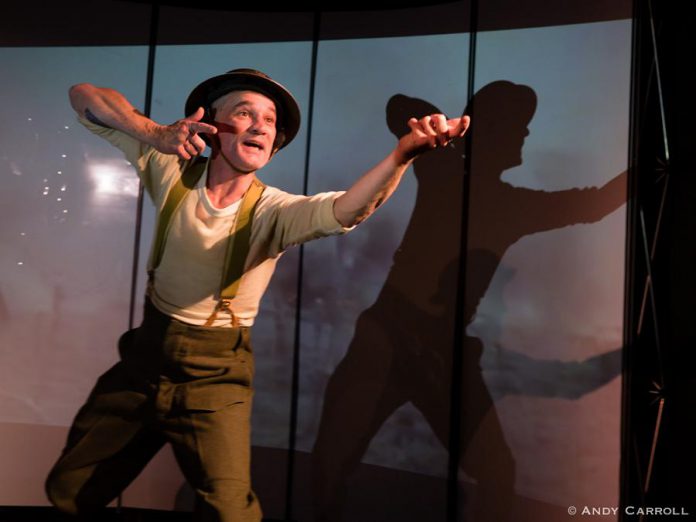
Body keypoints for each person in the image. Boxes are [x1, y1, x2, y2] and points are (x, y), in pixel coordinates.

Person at [44, 68, 470, 522]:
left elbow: (349, 209)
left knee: (231, 512)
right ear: (210, 125)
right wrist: (154, 133)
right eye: (244, 112)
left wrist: (402, 156)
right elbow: (83, 94)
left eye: (269, 120)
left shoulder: (275, 211)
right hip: (145, 358)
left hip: (214, 376)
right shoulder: (167, 167)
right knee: (69, 489)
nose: (260, 125)